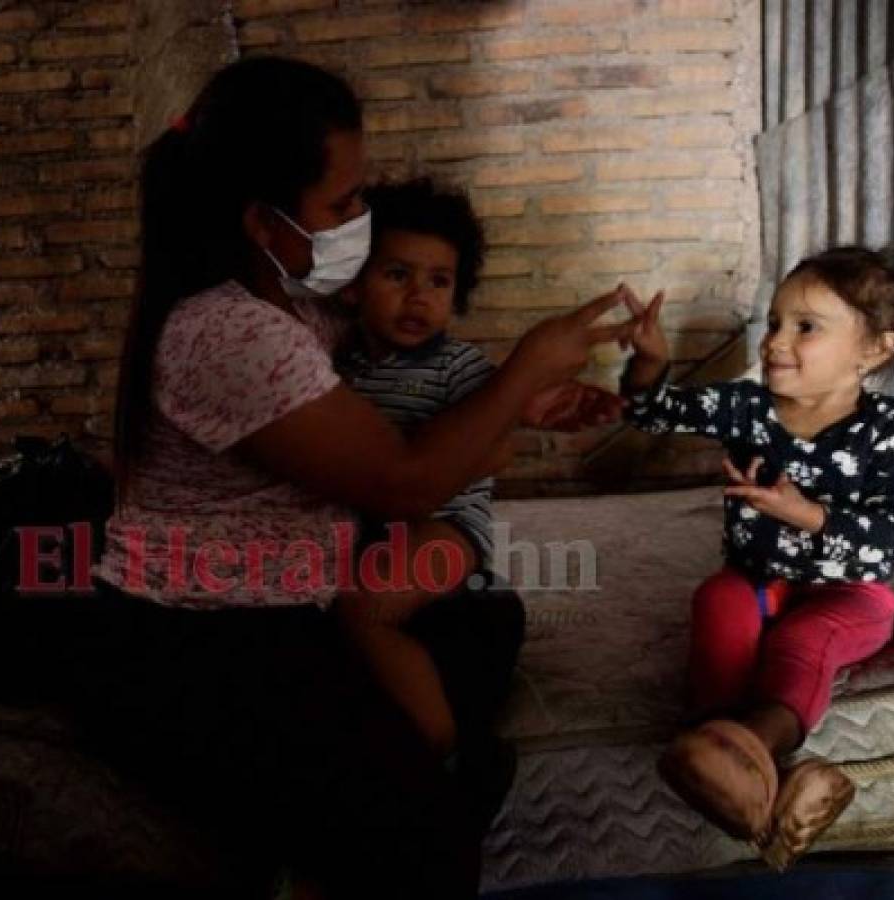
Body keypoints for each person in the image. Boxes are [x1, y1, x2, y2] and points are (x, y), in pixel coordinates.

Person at [54, 56, 634, 899]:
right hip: (201, 637)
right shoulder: (229, 334)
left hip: (299, 584)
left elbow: (412, 414)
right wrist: (523, 370)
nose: (363, 218)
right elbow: (403, 483)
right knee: (424, 845)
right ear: (261, 220)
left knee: (485, 616)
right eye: (343, 202)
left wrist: (517, 408)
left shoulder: (298, 304)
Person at [619, 246, 894, 870]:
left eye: (806, 327)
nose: (774, 342)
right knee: (718, 598)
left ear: (874, 350)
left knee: (805, 639)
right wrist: (650, 363)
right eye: (774, 323)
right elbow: (654, 414)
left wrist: (811, 516)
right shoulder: (749, 407)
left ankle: (756, 748)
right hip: (760, 579)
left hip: (851, 595)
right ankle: (721, 756)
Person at [331, 176, 509, 760]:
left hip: (446, 526)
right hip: (365, 524)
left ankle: (442, 749)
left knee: (365, 607)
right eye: (397, 275)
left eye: (439, 281)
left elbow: (497, 449)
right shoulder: (335, 364)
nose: (419, 297)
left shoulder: (459, 368)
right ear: (355, 283)